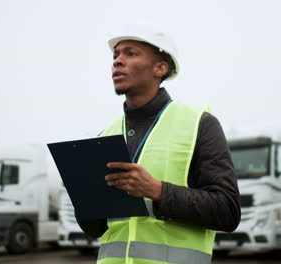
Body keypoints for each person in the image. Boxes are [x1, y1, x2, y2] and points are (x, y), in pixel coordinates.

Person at [77, 26, 241, 264]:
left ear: (160, 68)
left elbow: (227, 211)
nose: (118, 62)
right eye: (116, 56)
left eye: (130, 54)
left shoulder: (199, 124)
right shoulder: (105, 135)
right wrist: (85, 197)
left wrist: (158, 191)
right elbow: (94, 228)